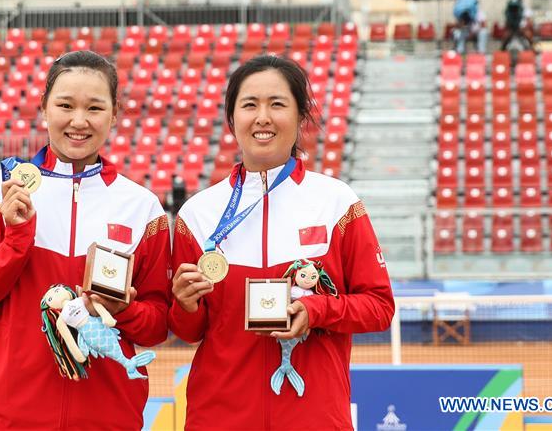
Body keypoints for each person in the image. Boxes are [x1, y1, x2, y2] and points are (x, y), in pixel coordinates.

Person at [168, 54, 394, 430]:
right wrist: (185, 303)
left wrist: (317, 310)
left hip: (314, 416)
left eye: (277, 104)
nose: (263, 117)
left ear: (301, 117)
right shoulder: (198, 214)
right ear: (232, 118)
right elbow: (190, 331)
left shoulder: (337, 203)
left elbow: (380, 307)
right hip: (219, 416)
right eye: (249, 105)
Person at [0, 49, 170, 430]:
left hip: (109, 418)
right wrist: (16, 239)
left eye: (95, 108)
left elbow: (158, 326)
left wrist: (122, 311)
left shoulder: (142, 207)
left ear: (114, 114)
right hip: (9, 416)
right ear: (44, 108)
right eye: (65, 105)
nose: (78, 121)